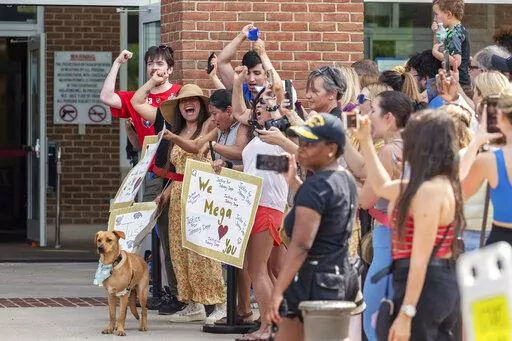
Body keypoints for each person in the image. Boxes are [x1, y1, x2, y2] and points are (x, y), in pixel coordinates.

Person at [355, 109, 463, 341]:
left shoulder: (429, 191)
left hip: (428, 284)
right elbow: (382, 186)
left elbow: (420, 257)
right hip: (428, 281)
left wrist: (407, 312)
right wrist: (364, 141)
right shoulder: (428, 184)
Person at [100, 46, 182, 312]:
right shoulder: (138, 95)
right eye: (150, 63)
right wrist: (117, 63)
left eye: (160, 64)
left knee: (171, 236)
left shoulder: (178, 94)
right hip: (147, 172)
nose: (155, 68)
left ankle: (176, 293)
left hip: (171, 170)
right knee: (143, 232)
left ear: (170, 69)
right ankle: (146, 286)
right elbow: (106, 96)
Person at [267, 113, 359, 341]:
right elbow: (324, 209)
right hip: (338, 274)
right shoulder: (344, 178)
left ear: (331, 148)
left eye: (310, 143)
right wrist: (293, 183)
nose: (302, 148)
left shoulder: (316, 186)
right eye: (301, 142)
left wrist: (277, 292)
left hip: (315, 280)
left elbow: (300, 244)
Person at [157, 84, 226, 324]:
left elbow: (197, 148)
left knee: (204, 251)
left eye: (194, 100)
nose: (189, 104)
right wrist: (164, 195)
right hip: (177, 196)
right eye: (184, 101)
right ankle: (192, 303)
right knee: (180, 251)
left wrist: (173, 137)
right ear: (178, 107)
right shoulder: (177, 131)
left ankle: (219, 303)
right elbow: (176, 172)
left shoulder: (209, 126)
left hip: (201, 194)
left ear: (201, 104)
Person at [358, 91, 413, 341]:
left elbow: (364, 199)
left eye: (373, 111)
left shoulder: (389, 151)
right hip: (411, 240)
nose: (369, 116)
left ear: (389, 117)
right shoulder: (417, 146)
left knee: (375, 319)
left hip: (386, 242)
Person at [460, 89, 512, 246]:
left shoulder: (488, 161)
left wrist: (476, 142)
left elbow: (458, 194)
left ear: (501, 118)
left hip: (501, 244)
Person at [431, 0, 471, 89]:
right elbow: (440, 47)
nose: (434, 18)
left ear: (449, 14)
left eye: (436, 14)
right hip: (458, 82)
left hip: (459, 84)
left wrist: (435, 53)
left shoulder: (454, 34)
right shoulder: (455, 29)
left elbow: (456, 61)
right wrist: (436, 32)